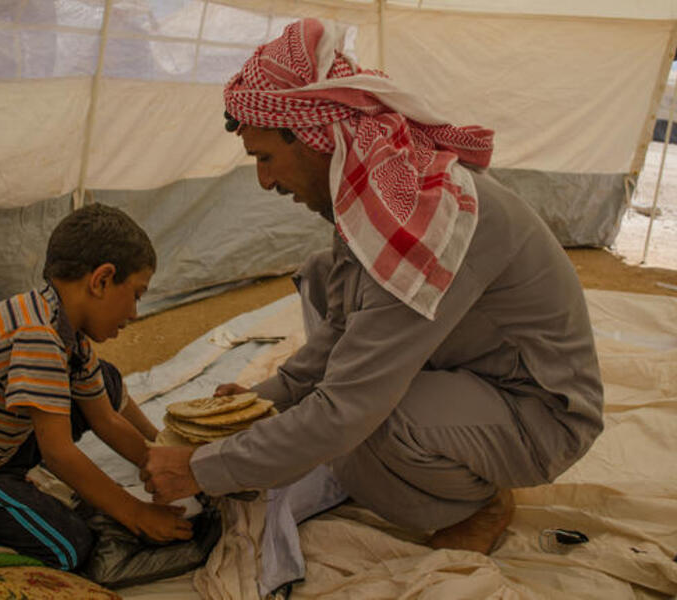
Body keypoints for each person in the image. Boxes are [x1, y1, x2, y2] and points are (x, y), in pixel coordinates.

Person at [141, 18, 604, 554]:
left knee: (370, 426)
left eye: (265, 159)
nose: (264, 182)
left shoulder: (429, 221)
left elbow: (347, 407)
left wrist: (200, 469)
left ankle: (480, 503)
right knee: (321, 279)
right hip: (471, 372)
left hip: (540, 413)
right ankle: (437, 456)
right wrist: (262, 402)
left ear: (317, 139)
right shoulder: (379, 199)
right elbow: (343, 331)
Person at [0, 203, 193, 571]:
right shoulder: (36, 337)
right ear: (102, 280)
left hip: (4, 437)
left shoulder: (65, 329)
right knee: (70, 546)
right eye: (136, 296)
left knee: (105, 381)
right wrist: (136, 513)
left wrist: (165, 465)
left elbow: (106, 419)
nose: (134, 315)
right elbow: (60, 454)